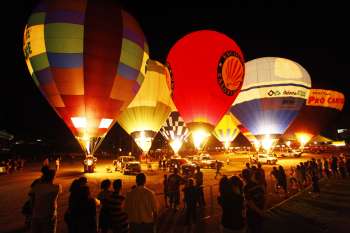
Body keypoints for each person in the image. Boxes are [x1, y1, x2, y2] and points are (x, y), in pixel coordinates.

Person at [30, 169, 61, 233]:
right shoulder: (56, 187)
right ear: (53, 177)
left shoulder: (37, 186)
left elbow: (32, 199)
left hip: (36, 214)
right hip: (49, 215)